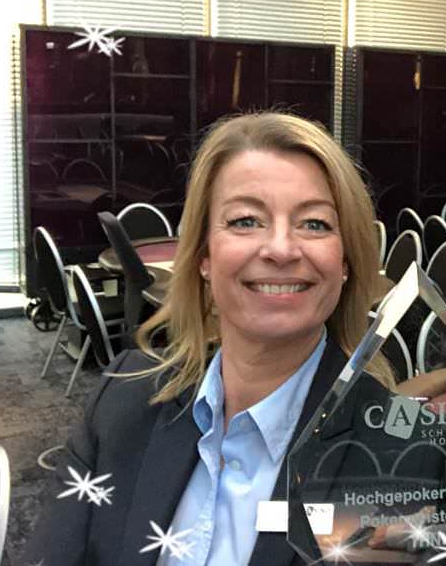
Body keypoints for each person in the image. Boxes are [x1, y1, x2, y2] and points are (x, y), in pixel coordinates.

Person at [22, 111, 397, 566]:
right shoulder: (120, 400)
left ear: (345, 262)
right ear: (204, 255)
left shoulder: (403, 454)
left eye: (314, 223)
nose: (281, 249)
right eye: (245, 220)